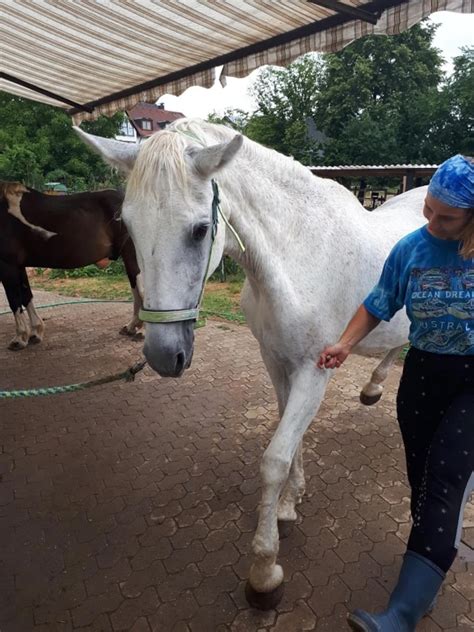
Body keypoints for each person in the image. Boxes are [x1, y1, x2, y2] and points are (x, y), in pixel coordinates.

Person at [318, 154, 474, 632]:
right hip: (422, 374)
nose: (432, 222)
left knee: (446, 473)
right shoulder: (411, 248)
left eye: (446, 217)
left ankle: (401, 614)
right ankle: (426, 569)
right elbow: (379, 301)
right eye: (428, 210)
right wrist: (345, 343)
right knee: (422, 476)